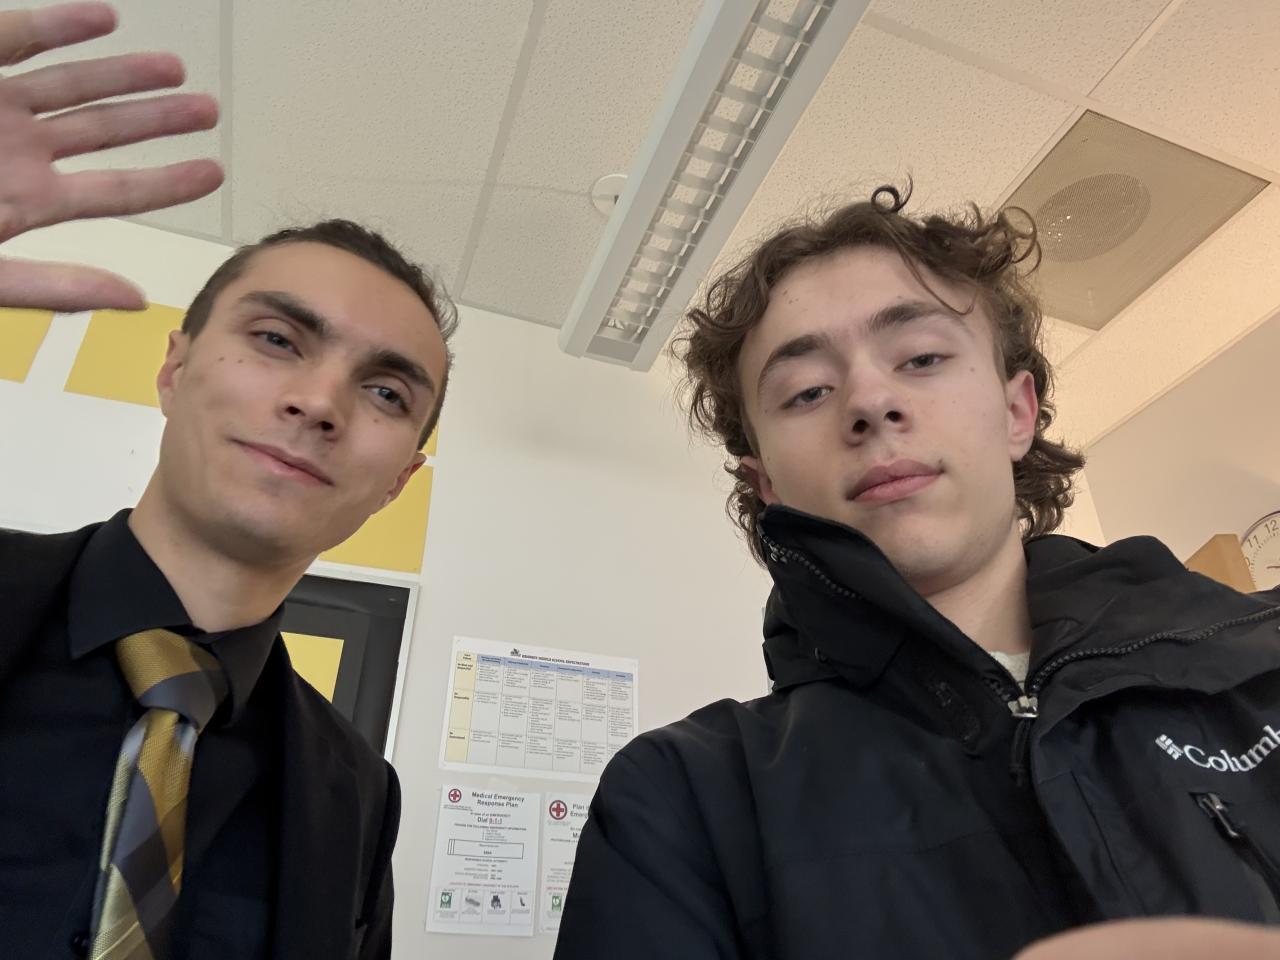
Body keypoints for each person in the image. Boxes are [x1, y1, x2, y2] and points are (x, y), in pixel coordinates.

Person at [553, 183, 1280, 959]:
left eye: (923, 358)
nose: (870, 400)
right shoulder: (682, 798)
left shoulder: (1264, 662)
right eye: (807, 392)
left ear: (1016, 412)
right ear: (766, 485)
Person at [0, 5, 455, 958]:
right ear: (173, 368)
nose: (319, 401)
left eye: (385, 391)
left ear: (398, 483)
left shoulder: (360, 795)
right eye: (277, 339)